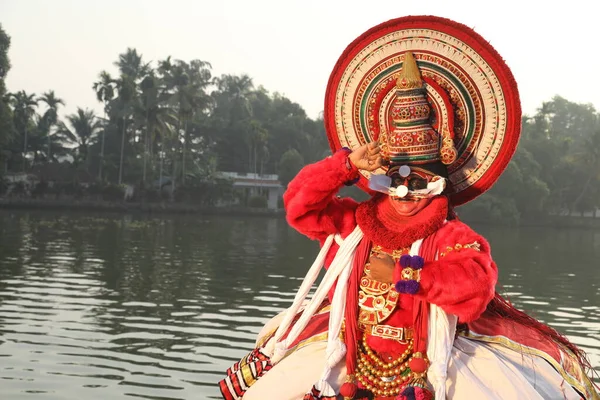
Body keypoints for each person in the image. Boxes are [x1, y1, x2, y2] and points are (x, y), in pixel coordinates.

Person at [219, 16, 599, 400]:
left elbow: (475, 287)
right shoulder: (352, 225)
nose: (403, 192)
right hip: (346, 360)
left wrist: (409, 274)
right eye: (393, 181)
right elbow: (298, 206)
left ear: (440, 184)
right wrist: (347, 164)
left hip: (433, 366)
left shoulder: (450, 236)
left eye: (418, 183)